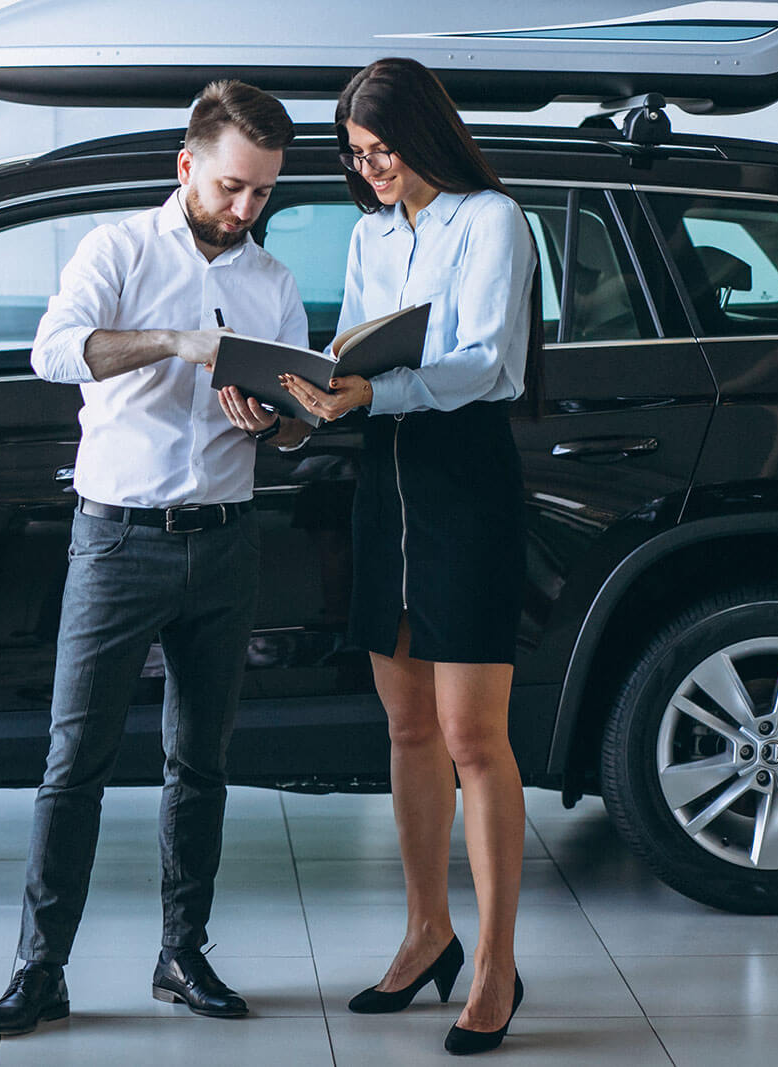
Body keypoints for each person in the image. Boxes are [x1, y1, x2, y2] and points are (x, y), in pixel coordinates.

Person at [0, 80, 310, 1037]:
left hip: (227, 540)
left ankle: (182, 953)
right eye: (234, 187)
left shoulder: (272, 282)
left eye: (263, 193)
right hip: (117, 540)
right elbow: (52, 352)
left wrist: (279, 421)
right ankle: (41, 968)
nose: (247, 209)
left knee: (199, 762)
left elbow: (290, 428)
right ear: (187, 167)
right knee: (74, 761)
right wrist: (177, 342)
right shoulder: (117, 249)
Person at [282, 57, 539, 1056]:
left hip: (462, 476)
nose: (370, 169)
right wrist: (313, 388)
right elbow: (355, 345)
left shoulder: (491, 218)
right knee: (405, 729)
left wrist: (370, 393)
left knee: (472, 735)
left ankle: (495, 961)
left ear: (423, 133)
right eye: (355, 154)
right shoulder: (367, 232)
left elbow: (486, 362)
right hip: (383, 477)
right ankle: (428, 929)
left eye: (381, 150)